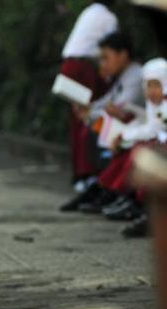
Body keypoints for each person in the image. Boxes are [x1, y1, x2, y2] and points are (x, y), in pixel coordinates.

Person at [60, 32, 144, 212]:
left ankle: (108, 191)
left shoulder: (136, 76)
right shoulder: (124, 75)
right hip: (133, 130)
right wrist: (89, 109)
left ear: (123, 55)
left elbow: (120, 108)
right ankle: (101, 188)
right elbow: (108, 102)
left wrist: (90, 112)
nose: (102, 64)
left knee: (108, 134)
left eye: (106, 58)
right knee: (97, 129)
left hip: (137, 130)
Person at [60, 0, 118, 186]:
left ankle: (79, 173)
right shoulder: (109, 18)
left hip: (69, 66)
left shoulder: (89, 11)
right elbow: (110, 50)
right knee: (87, 118)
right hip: (83, 69)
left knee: (77, 120)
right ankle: (87, 174)